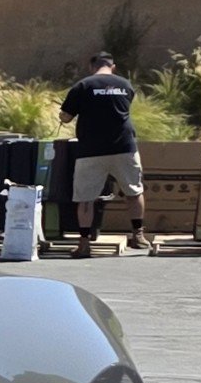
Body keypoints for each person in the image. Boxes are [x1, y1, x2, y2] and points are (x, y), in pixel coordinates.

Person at [59, 50, 141, 254]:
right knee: (134, 191)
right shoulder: (125, 85)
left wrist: (63, 115)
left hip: (91, 150)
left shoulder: (83, 86)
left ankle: (84, 243)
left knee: (85, 198)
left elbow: (66, 117)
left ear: (91, 67)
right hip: (124, 147)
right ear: (112, 67)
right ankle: (138, 236)